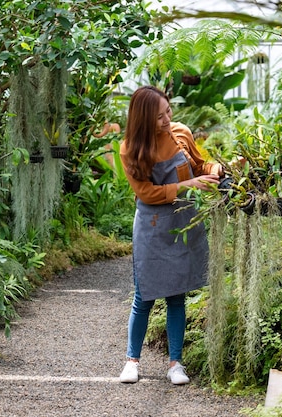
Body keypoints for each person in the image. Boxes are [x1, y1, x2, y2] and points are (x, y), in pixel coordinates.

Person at [118, 86, 222, 385]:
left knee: (177, 295)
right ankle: (131, 361)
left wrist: (216, 169)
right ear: (143, 118)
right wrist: (189, 185)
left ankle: (176, 363)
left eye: (168, 112)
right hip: (152, 224)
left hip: (183, 220)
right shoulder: (130, 149)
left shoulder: (181, 133)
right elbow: (146, 192)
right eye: (159, 116)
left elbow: (200, 165)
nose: (167, 119)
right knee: (144, 295)